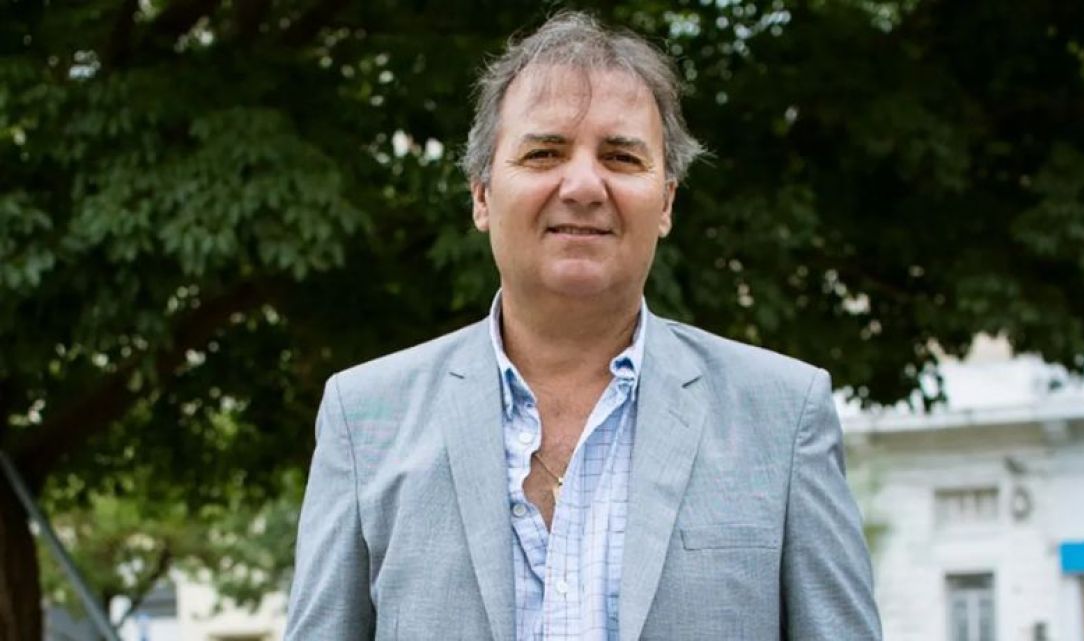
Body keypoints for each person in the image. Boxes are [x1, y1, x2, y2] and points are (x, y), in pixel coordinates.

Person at [286, 11, 881, 641]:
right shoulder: (364, 418)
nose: (583, 185)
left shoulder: (784, 416)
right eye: (544, 153)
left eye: (621, 157)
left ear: (667, 201)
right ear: (481, 194)